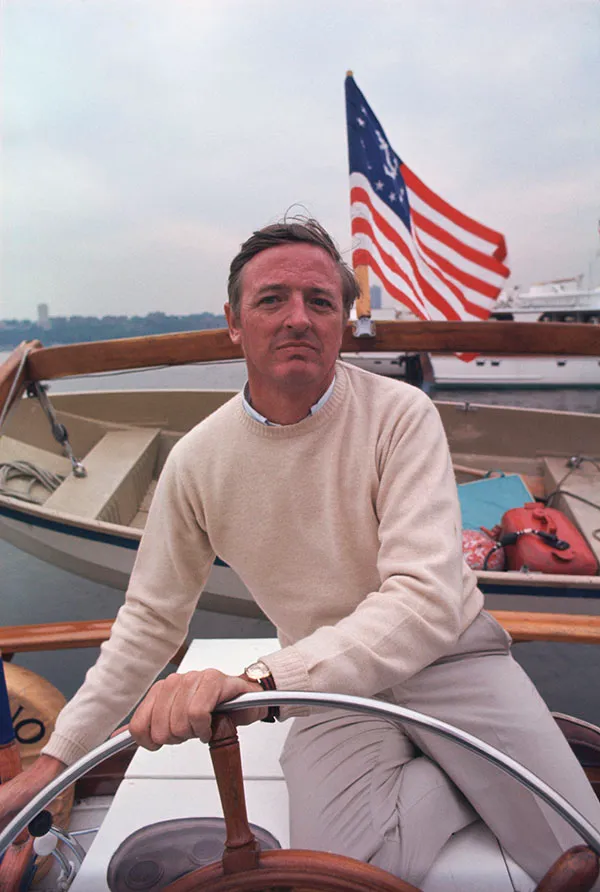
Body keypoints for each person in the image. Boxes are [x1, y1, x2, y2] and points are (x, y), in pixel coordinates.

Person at [1, 218, 599, 886]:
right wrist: (56, 759)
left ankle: (479, 771)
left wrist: (262, 683)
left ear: (342, 322)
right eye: (271, 300)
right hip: (326, 685)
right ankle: (468, 782)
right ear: (234, 322)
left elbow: (425, 599)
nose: (298, 318)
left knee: (575, 854)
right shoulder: (198, 460)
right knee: (343, 876)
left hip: (446, 655)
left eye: (320, 302)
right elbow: (149, 619)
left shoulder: (400, 417)